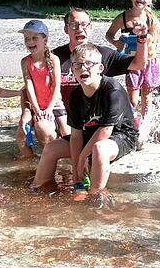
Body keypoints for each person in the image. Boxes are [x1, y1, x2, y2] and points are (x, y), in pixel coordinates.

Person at [32, 44, 138, 209]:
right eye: (78, 65)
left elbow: (105, 131)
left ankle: (96, 196)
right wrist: (76, 171)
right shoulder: (76, 95)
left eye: (89, 64)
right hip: (90, 134)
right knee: (51, 148)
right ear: (72, 70)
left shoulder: (112, 90)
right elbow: (76, 135)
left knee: (99, 149)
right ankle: (38, 190)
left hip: (120, 136)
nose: (83, 68)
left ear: (100, 68)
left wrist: (82, 157)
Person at [52, 7, 148, 103]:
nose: (80, 29)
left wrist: (142, 38)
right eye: (74, 25)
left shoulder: (103, 54)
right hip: (65, 114)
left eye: (84, 25)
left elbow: (138, 64)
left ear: (91, 28)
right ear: (66, 29)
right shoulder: (54, 57)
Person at [105, 0, 160, 120]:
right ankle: (132, 119)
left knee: (147, 95)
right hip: (132, 61)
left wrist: (145, 38)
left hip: (148, 60)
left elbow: (154, 38)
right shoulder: (123, 18)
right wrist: (116, 42)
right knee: (133, 98)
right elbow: (109, 34)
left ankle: (145, 122)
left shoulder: (151, 18)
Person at [17, 20, 70, 159]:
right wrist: (37, 110)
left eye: (35, 38)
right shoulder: (25, 62)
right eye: (27, 39)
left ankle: (63, 158)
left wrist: (49, 108)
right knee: (22, 134)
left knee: (67, 134)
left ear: (45, 39)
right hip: (37, 105)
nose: (30, 42)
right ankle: (34, 160)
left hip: (55, 103)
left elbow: (56, 86)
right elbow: (29, 86)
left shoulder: (53, 59)